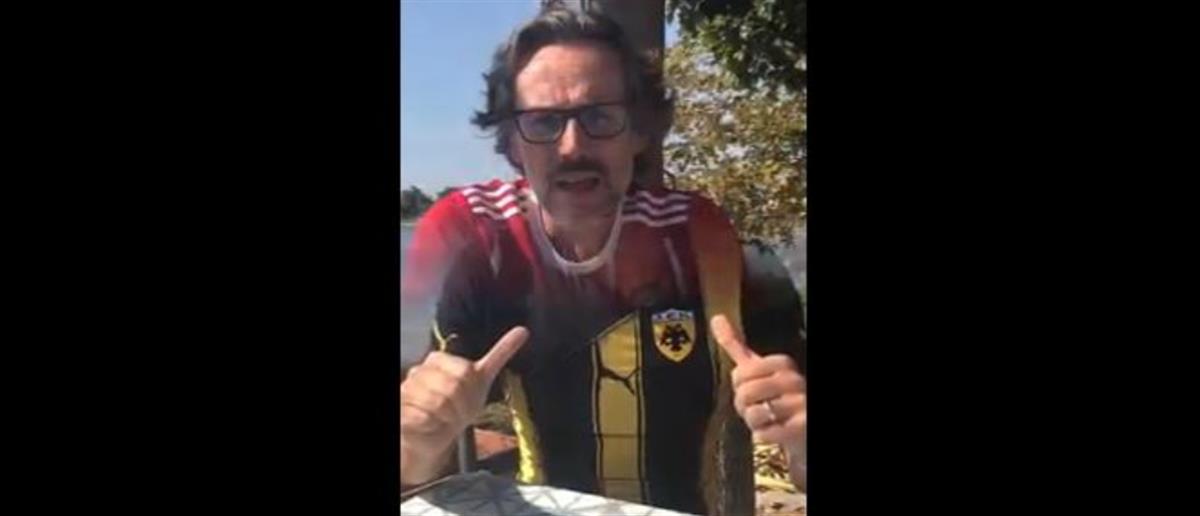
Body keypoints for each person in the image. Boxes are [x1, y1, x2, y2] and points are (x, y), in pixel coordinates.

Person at [399, 7, 806, 514]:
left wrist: (800, 440)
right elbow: (416, 467)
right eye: (543, 121)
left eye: (600, 117)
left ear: (639, 132)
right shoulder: (488, 261)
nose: (573, 146)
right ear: (512, 143)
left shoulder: (722, 258)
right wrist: (418, 441)